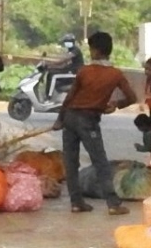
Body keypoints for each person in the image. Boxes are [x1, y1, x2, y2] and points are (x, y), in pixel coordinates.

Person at [57, 31, 138, 215]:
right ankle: (113, 204)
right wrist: (117, 104)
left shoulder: (84, 71)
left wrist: (59, 119)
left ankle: (76, 202)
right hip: (89, 120)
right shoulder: (115, 74)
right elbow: (132, 97)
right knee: (100, 161)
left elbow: (70, 97)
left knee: (70, 161)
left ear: (96, 51)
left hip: (70, 117)